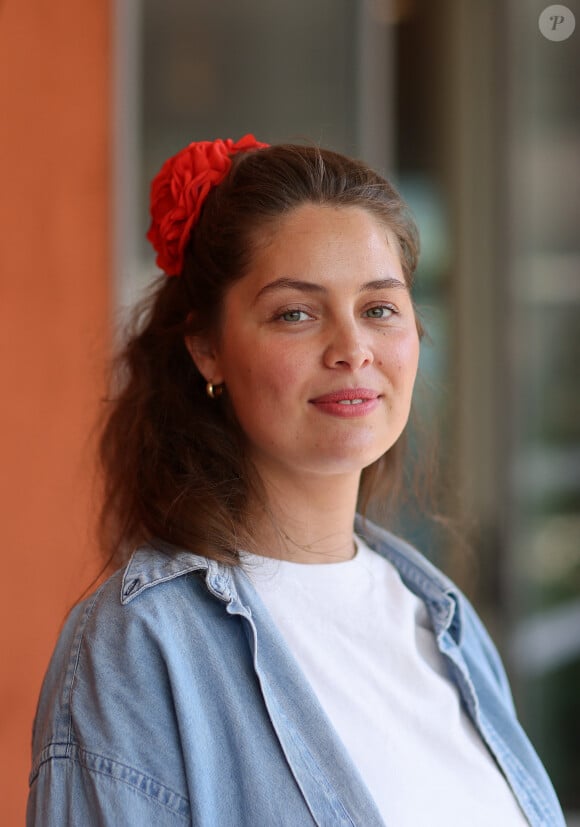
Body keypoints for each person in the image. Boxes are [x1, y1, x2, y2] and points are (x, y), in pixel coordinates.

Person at [27, 136, 565, 827]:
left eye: (379, 308)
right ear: (207, 348)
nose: (352, 349)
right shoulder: (141, 646)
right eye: (295, 313)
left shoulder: (441, 618)